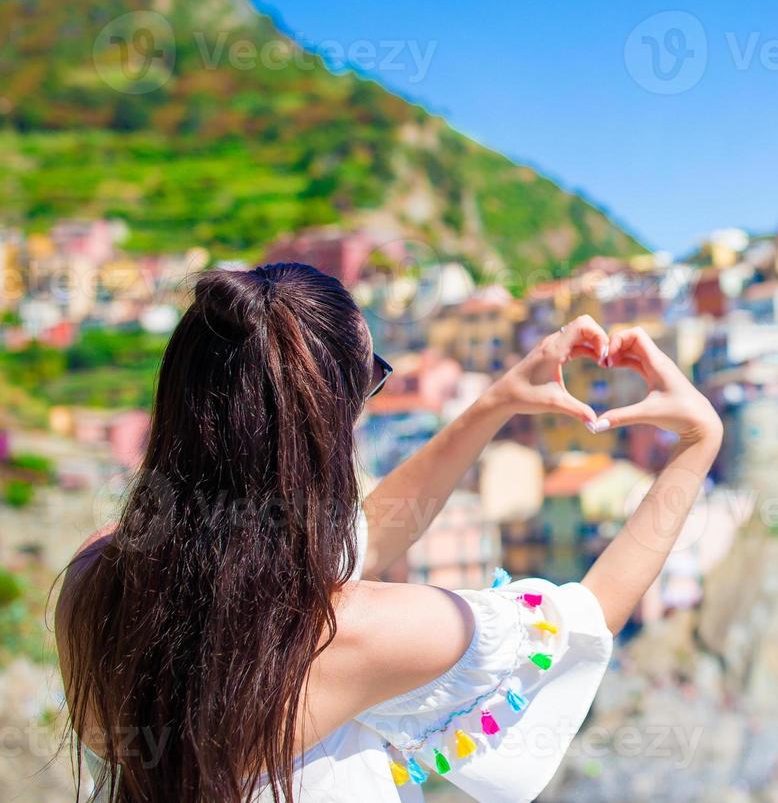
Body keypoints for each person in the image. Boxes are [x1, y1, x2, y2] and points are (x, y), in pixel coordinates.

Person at [54, 262, 722, 802]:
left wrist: (494, 402)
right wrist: (696, 443)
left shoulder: (95, 580)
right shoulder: (346, 636)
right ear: (333, 419)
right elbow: (584, 618)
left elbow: (355, 539)